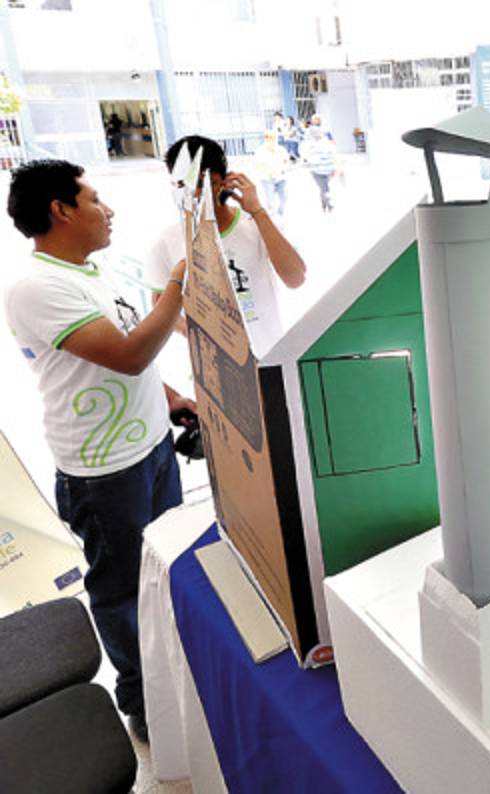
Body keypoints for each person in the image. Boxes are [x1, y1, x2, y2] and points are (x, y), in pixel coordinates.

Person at [3, 159, 197, 742]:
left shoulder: (91, 272)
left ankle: (174, 677)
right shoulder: (37, 287)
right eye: (94, 200)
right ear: (60, 210)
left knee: (164, 569)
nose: (107, 210)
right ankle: (143, 703)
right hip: (103, 471)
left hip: (150, 449)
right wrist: (177, 284)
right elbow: (129, 353)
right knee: (121, 590)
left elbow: (129, 357)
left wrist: (171, 401)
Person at [146, 135, 306, 355]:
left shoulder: (256, 224)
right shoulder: (166, 242)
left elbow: (295, 278)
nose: (191, 193)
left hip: (270, 355)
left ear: (223, 180)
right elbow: (159, 304)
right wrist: (196, 334)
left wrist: (258, 211)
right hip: (216, 372)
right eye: (182, 184)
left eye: (200, 183)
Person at [252, 130, 290, 217]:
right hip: (266, 179)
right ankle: (273, 216)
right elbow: (255, 164)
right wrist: (266, 170)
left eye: (274, 138)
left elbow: (286, 161)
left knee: (284, 197)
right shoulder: (260, 151)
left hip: (281, 177)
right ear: (266, 139)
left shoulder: (281, 149)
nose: (273, 141)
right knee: (270, 199)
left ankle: (280, 212)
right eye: (270, 138)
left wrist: (284, 168)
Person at [301, 125, 337, 213]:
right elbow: (304, 155)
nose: (317, 134)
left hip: (328, 169)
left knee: (323, 187)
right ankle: (329, 203)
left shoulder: (326, 142)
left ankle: (324, 203)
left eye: (318, 132)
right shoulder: (307, 143)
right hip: (316, 170)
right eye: (314, 133)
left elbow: (333, 153)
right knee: (324, 186)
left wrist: (335, 166)